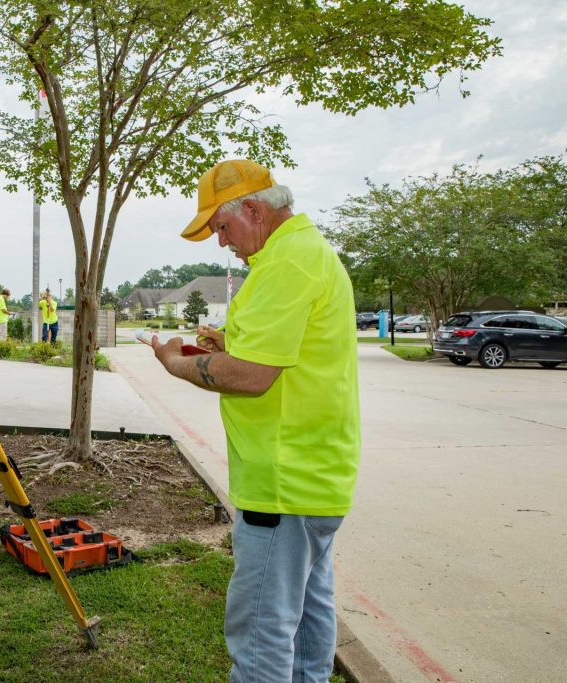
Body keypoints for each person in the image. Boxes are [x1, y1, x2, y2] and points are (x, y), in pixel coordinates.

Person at [151, 160, 360, 682]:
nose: (222, 242)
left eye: (222, 228)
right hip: (314, 475)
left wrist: (178, 364)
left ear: (253, 209)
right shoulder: (305, 253)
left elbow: (252, 376)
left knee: (262, 632)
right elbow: (289, 352)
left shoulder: (285, 264)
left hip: (281, 483)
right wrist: (228, 344)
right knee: (310, 621)